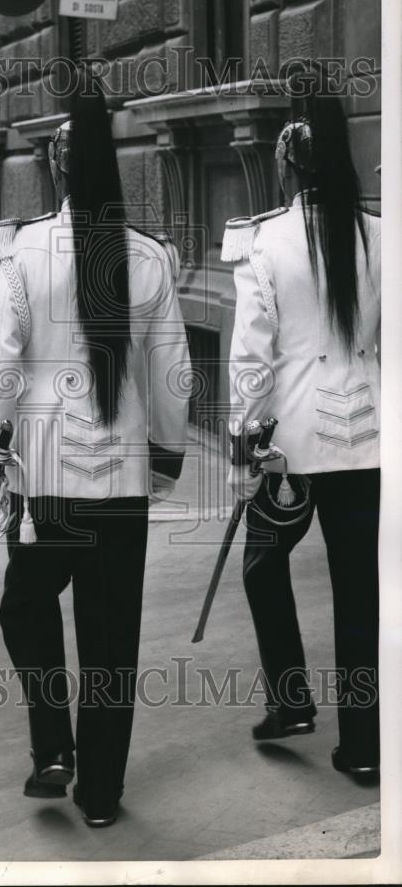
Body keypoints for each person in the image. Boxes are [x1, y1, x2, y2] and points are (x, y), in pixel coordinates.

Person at [0, 75, 190, 827]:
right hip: (121, 483)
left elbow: (0, 364)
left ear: (58, 167)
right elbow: (174, 377)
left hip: (46, 484)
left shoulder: (22, 251)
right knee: (110, 637)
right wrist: (163, 455)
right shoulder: (151, 259)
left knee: (23, 607)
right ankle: (101, 793)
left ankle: (52, 746)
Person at [224, 70, 381, 776]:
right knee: (359, 593)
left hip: (290, 446)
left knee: (262, 568)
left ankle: (291, 700)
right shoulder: (382, 236)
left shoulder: (266, 244)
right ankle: (365, 745)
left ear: (288, 164)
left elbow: (251, 360)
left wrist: (243, 442)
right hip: (370, 440)